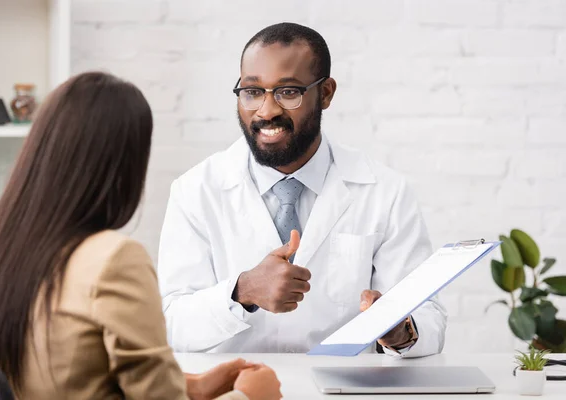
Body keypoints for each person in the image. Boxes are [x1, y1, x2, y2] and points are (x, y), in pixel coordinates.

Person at [0, 72, 282, 400]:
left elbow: (67, 374)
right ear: (124, 166)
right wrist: (250, 396)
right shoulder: (113, 259)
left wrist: (192, 386)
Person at [158, 22, 447, 356]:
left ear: (325, 94)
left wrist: (402, 330)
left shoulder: (386, 192)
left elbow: (430, 317)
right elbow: (172, 325)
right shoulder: (195, 191)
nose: (266, 111)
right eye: (252, 92)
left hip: (341, 391)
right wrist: (242, 291)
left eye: (288, 92)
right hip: (235, 389)